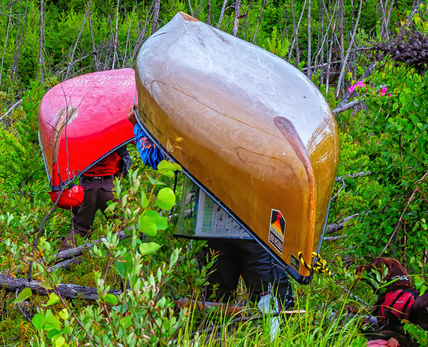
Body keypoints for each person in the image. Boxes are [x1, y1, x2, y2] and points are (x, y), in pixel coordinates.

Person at [131, 110, 293, 310]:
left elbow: (154, 156)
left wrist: (139, 125)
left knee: (255, 303)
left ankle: (244, 338)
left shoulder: (197, 124)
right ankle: (228, 339)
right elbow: (156, 157)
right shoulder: (262, 122)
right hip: (244, 232)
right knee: (261, 304)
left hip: (233, 231)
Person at [61, 144, 131, 249]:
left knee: (80, 228)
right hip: (110, 186)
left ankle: (60, 260)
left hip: (86, 187)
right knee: (120, 227)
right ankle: (116, 260)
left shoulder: (81, 134)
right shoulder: (114, 132)